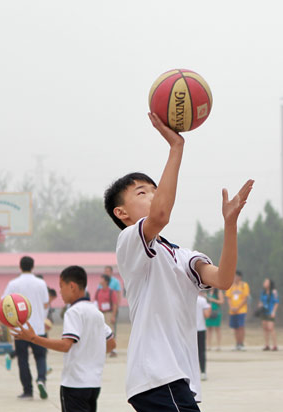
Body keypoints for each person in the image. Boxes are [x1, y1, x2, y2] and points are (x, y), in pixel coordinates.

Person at [103, 111, 253, 411]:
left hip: (176, 378)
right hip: (157, 375)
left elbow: (223, 279)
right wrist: (176, 147)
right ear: (122, 213)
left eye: (155, 190)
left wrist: (230, 224)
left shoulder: (180, 255)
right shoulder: (130, 241)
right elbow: (160, 215)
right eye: (143, 192)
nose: (154, 196)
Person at [11, 266, 116, 412]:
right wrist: (89, 353)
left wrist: (33, 338)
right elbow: (111, 344)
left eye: (61, 286)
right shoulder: (96, 312)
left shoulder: (73, 312)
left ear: (72, 286)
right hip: (94, 384)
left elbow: (66, 345)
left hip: (75, 384)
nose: (60, 291)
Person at [2, 256, 50, 400]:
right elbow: (46, 304)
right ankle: (41, 379)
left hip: (20, 329)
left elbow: (4, 304)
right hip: (38, 328)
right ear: (33, 266)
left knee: (23, 360)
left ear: (20, 266)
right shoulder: (41, 283)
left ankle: (28, 391)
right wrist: (42, 318)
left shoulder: (13, 284)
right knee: (40, 357)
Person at [98, 265, 121, 357]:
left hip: (111, 309)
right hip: (102, 311)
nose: (106, 272)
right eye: (105, 271)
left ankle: (113, 348)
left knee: (112, 329)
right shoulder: (100, 284)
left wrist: (116, 308)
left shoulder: (115, 282)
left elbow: (118, 294)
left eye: (108, 271)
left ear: (111, 272)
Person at [225, 271, 251, 351]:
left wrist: (238, 307)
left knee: (241, 327)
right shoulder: (231, 285)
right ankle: (237, 343)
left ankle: (241, 343)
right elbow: (228, 297)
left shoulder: (244, 285)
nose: (234, 278)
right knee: (235, 328)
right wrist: (231, 307)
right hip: (233, 311)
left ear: (240, 277)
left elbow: (245, 298)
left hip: (241, 310)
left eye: (236, 276)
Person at [258, 278, 279, 351]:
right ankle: (267, 345)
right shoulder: (263, 292)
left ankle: (275, 345)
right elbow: (261, 301)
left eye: (266, 282)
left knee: (271, 328)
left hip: (270, 312)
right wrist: (259, 307)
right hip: (264, 312)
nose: (264, 283)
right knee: (265, 328)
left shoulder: (274, 291)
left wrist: (273, 311)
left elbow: (276, 303)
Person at [196, 292, 211, 381]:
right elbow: (207, 315)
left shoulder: (185, 297)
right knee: (201, 351)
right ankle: (203, 372)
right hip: (200, 328)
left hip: (188, 330)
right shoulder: (202, 300)